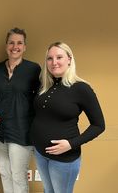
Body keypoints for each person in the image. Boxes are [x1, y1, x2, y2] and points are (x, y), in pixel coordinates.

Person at [31, 42, 105, 193]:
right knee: (48, 191)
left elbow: (99, 125)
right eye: (50, 58)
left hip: (64, 159)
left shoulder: (81, 88)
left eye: (59, 57)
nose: (54, 62)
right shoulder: (44, 85)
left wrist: (71, 144)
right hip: (40, 152)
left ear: (69, 59)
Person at [0, 27, 41, 193]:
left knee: (18, 176)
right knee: (5, 173)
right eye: (11, 42)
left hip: (22, 131)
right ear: (6, 46)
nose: (15, 46)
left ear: (25, 47)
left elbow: (40, 101)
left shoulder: (34, 69)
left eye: (19, 43)